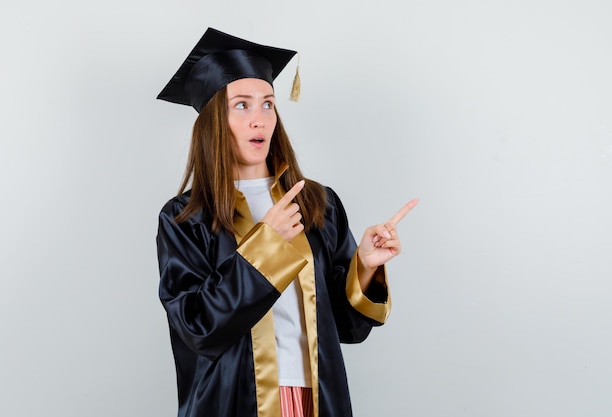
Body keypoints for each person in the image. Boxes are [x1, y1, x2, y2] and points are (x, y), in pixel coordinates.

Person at [156, 27, 418, 417]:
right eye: (241, 105)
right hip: (232, 401)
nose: (259, 119)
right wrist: (268, 247)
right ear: (213, 120)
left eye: (268, 104)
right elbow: (197, 327)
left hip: (316, 397)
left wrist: (363, 267)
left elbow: (348, 329)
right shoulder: (186, 218)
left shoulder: (317, 203)